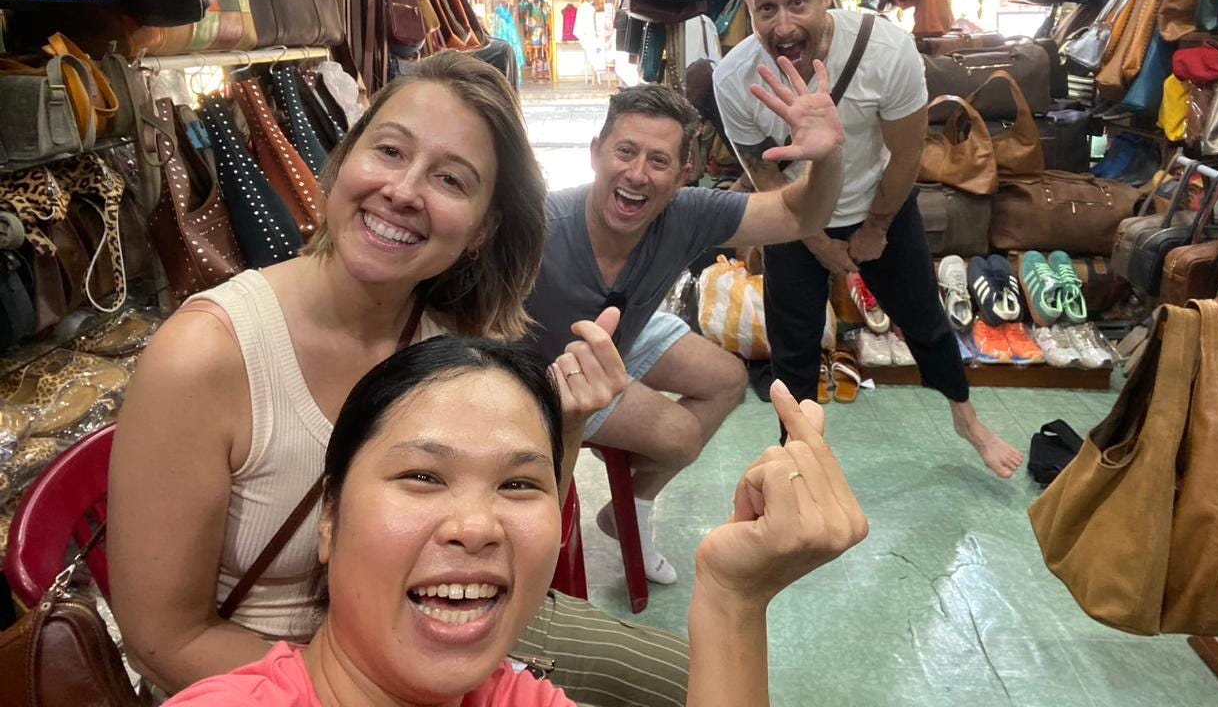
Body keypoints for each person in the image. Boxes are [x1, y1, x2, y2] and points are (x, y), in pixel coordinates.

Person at [108, 53, 688, 707]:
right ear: (342, 161)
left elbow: (498, 542)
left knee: (691, 679)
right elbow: (162, 638)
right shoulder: (207, 357)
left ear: (481, 230)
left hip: (447, 637)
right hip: (281, 682)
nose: (404, 190)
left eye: (449, 179)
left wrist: (570, 420)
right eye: (389, 150)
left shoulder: (451, 343)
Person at [163, 336, 869, 707]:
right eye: (421, 476)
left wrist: (733, 602)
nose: (477, 526)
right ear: (328, 519)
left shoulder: (512, 696)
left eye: (519, 483)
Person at [712, 0, 1023, 479]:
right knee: (793, 351)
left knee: (923, 320)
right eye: (766, 10)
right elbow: (763, 176)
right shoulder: (737, 78)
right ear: (750, 9)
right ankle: (796, 462)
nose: (783, 26)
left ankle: (967, 419)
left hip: (880, 206)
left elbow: (906, 156)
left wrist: (876, 227)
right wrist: (815, 240)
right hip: (793, 219)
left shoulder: (887, 51)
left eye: (798, 3)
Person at [524, 61, 846, 584]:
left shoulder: (686, 214)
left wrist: (829, 156)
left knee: (726, 378)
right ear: (595, 153)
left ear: (681, 177)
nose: (636, 174)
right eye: (624, 152)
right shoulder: (540, 227)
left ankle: (631, 507)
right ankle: (634, 505)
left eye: (658, 161)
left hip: (625, 332)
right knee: (680, 437)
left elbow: (799, 216)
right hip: (553, 373)